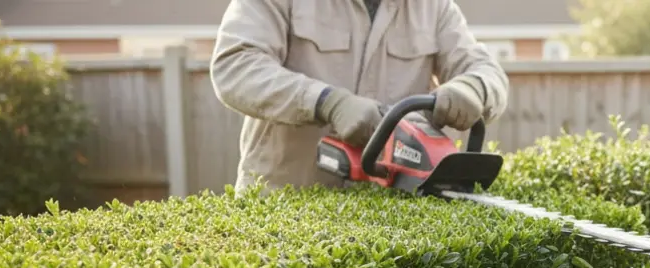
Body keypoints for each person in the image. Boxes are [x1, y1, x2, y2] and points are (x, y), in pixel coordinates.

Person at [210, 0, 508, 192]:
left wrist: (474, 88)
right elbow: (235, 66)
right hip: (281, 205)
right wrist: (325, 101)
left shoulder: (433, 8)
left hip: (384, 218)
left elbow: (486, 71)